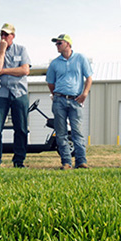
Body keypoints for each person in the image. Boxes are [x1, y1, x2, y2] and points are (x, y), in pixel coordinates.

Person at [0, 23, 31, 168]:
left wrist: (3, 71)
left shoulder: (22, 49)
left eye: (7, 35)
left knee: (21, 128)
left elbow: (25, 70)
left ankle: (19, 161)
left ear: (13, 36)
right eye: (2, 35)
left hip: (19, 93)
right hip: (0, 94)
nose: (4, 37)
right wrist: (2, 50)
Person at [46, 34, 93, 169]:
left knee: (77, 132)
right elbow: (51, 83)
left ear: (68, 44)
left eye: (59, 43)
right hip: (59, 100)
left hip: (75, 100)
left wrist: (84, 94)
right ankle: (66, 162)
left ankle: (81, 161)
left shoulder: (80, 58)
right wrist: (56, 95)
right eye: (56, 43)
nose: (57, 45)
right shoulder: (54, 63)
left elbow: (89, 78)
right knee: (61, 133)